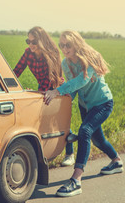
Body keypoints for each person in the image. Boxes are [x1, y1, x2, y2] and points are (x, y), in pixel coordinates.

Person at [43, 30, 123, 197]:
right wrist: (61, 100)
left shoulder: (90, 58)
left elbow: (81, 80)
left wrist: (58, 91)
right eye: (61, 45)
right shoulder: (65, 63)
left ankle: (76, 180)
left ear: (76, 43)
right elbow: (74, 88)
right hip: (85, 105)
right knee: (97, 138)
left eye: (68, 45)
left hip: (102, 103)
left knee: (85, 131)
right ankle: (116, 161)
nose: (64, 48)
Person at [13, 26, 75, 165]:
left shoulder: (52, 53)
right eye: (28, 41)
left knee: (58, 121)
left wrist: (44, 93)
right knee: (41, 119)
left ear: (41, 41)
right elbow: (16, 71)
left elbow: (54, 78)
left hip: (56, 87)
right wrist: (7, 85)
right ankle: (43, 153)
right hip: (42, 88)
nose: (31, 45)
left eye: (34, 42)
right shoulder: (28, 53)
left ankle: (70, 153)